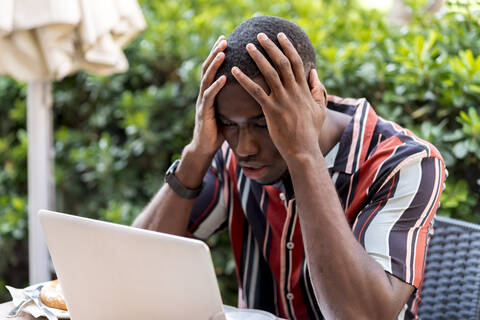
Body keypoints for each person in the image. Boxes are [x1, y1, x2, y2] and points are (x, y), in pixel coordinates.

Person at [133, 15, 445, 320]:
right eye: (229, 124)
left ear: (315, 98)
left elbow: (360, 315)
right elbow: (136, 264)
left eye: (263, 123)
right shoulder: (231, 152)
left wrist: (303, 154)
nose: (244, 148)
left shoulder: (404, 163)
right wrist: (198, 151)